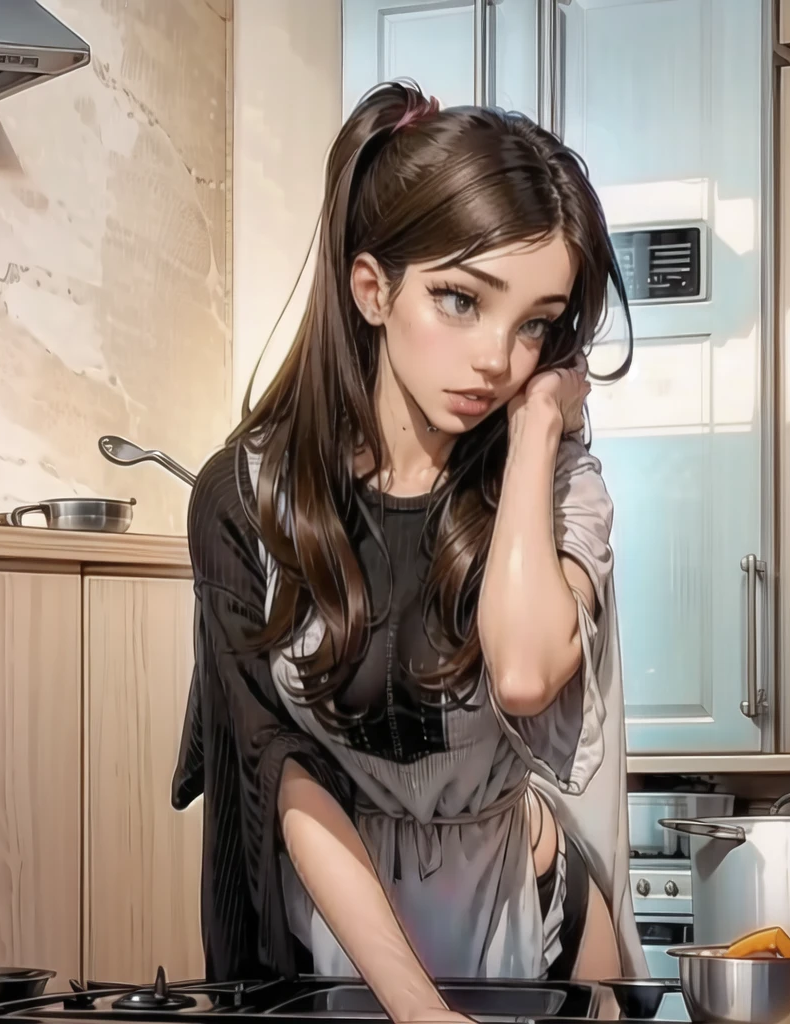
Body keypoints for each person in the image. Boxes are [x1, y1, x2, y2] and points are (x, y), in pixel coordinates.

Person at [171, 80, 646, 1024]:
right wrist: (419, 1011)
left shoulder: (556, 485)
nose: (497, 360)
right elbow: (283, 775)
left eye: (536, 325)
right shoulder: (244, 499)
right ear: (372, 288)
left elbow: (520, 671)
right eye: (462, 300)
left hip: (532, 921)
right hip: (335, 939)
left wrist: (540, 430)